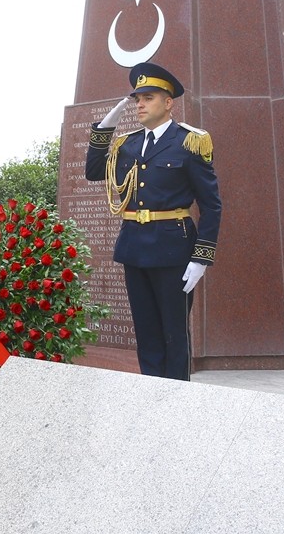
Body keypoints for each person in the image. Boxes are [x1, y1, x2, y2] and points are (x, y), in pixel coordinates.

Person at [84, 61, 222, 380]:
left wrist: (201, 258)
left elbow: (212, 205)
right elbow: (93, 172)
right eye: (137, 99)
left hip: (174, 249)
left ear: (168, 102)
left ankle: (175, 401)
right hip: (134, 249)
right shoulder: (127, 144)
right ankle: (149, 397)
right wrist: (105, 127)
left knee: (174, 333)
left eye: (148, 97)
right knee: (146, 333)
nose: (140, 104)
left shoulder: (189, 142)